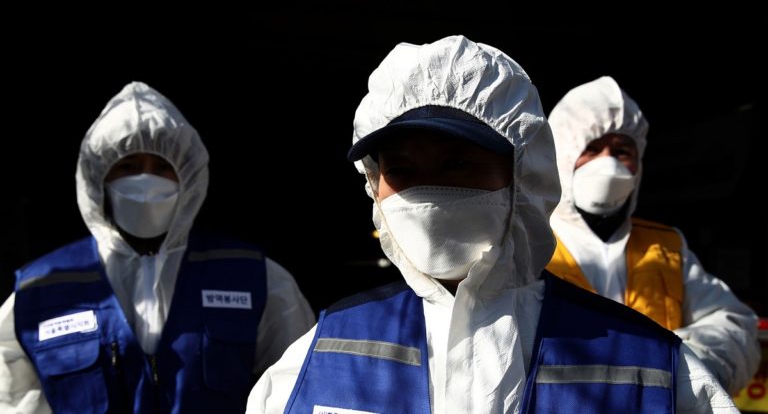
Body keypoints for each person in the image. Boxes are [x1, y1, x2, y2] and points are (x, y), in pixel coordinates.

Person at [245, 35, 739, 413]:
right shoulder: (317, 354)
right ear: (374, 184)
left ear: (524, 176)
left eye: (457, 164)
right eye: (402, 170)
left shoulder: (658, 369)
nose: (428, 192)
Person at [0, 81, 316, 413]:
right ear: (98, 178)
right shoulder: (41, 289)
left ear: (188, 177)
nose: (145, 180)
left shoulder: (254, 278)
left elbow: (301, 387)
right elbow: (9, 399)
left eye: (162, 167)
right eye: (128, 166)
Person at [545, 75, 760, 396]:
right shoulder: (530, 243)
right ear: (562, 156)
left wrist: (684, 369)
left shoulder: (667, 246)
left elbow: (733, 324)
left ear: (639, 163)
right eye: (592, 148)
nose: (608, 164)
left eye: (622, 151)